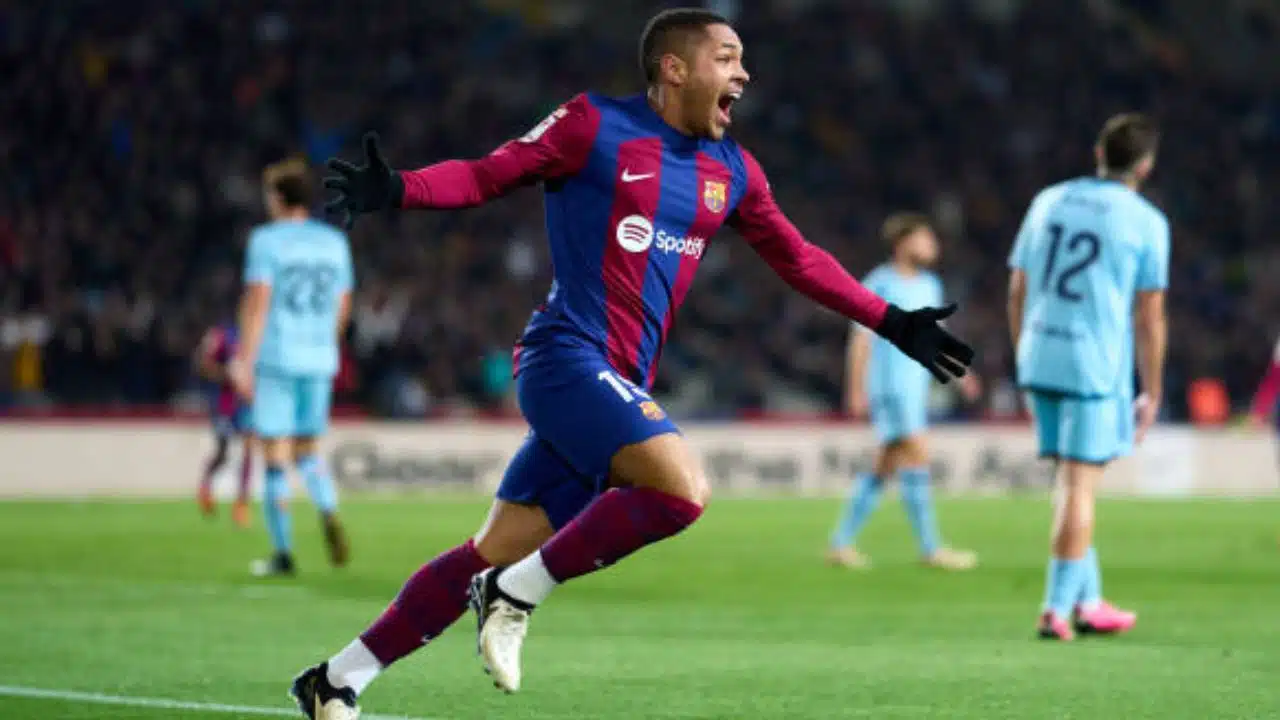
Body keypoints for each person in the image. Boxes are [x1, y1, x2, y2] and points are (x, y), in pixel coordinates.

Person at [289, 8, 973, 718]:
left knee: (488, 550)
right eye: (728, 58)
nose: (744, 74)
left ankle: (336, 680)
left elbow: (799, 259)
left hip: (613, 381)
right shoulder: (593, 125)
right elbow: (490, 175)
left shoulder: (732, 170)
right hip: (563, 356)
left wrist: (890, 320)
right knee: (682, 491)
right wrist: (402, 187)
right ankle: (515, 594)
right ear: (675, 69)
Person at [1008, 113, 1167, 641]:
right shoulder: (1144, 221)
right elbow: (1149, 315)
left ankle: (1090, 600)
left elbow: (1017, 288)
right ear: (1145, 164)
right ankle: (1055, 609)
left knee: (1068, 483)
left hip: (1039, 353)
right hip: (1093, 364)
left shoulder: (1048, 200)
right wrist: (1154, 387)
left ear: (1099, 152)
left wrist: (1023, 355)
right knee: (1081, 487)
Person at [827, 213, 979, 571]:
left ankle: (840, 544)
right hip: (890, 385)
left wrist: (961, 374)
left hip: (914, 385)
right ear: (903, 243)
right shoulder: (879, 283)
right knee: (918, 455)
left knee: (885, 466)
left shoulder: (930, 285)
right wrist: (856, 388)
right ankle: (931, 549)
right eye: (925, 239)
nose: (932, 246)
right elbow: (861, 339)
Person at [229, 158, 354, 578]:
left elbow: (258, 300)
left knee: (276, 456)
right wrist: (326, 344)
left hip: (278, 357)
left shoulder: (267, 241)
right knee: (308, 449)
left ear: (279, 197)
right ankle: (328, 507)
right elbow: (343, 303)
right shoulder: (334, 243)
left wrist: (244, 359)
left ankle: (283, 554)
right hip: (319, 357)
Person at [194, 320, 253, 528]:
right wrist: (226, 374)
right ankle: (205, 486)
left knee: (248, 450)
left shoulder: (261, 334)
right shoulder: (221, 335)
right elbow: (202, 365)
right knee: (223, 452)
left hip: (247, 404)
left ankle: (241, 505)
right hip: (224, 405)